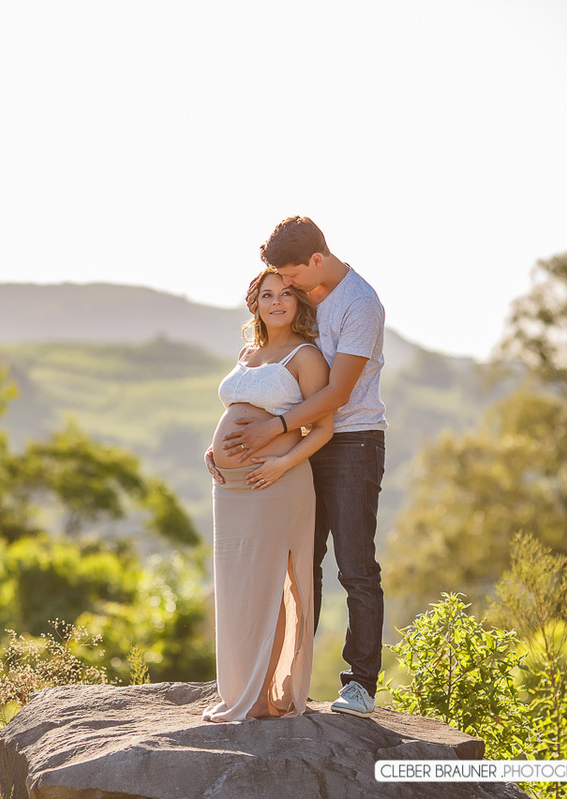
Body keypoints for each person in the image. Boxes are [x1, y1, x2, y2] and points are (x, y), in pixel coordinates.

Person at [221, 216, 387, 718]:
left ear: (316, 260)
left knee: (355, 567)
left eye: (290, 277)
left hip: (352, 442)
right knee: (297, 565)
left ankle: (359, 683)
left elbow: (337, 393)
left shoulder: (360, 304)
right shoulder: (306, 291)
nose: (285, 288)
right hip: (299, 442)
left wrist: (273, 430)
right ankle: (286, 677)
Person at [201, 269, 333, 722]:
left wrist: (282, 463)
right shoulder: (247, 353)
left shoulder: (306, 356)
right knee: (237, 589)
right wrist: (214, 449)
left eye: (285, 295)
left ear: (298, 302)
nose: (276, 302)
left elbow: (323, 428)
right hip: (231, 491)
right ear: (254, 302)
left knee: (271, 587)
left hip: (276, 482)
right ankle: (237, 688)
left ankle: (260, 696)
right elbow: (238, 411)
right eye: (267, 295)